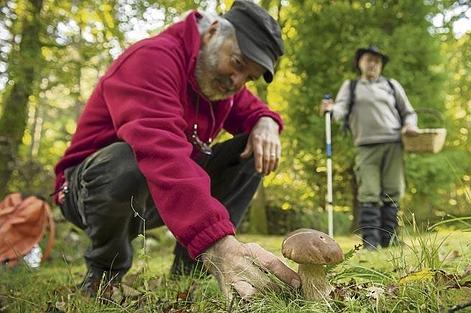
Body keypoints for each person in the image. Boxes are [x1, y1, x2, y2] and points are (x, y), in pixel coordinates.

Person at [53, 1, 300, 299]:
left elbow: (254, 109)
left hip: (155, 194)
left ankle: (190, 270)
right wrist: (217, 240)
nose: (237, 82)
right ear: (211, 32)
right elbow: (161, 152)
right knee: (125, 161)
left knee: (250, 149)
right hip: (90, 192)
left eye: (249, 77)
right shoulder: (151, 59)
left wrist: (266, 123)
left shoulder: (221, 85)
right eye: (237, 63)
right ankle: (105, 274)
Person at [321, 45, 419, 250]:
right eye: (368, 60)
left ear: (381, 65)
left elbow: (408, 112)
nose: (373, 64)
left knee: (392, 191)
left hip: (394, 143)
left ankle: (389, 239)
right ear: (360, 63)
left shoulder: (392, 85)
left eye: (377, 61)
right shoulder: (352, 86)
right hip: (366, 145)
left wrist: (411, 125)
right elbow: (340, 109)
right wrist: (330, 110)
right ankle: (370, 242)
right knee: (369, 191)